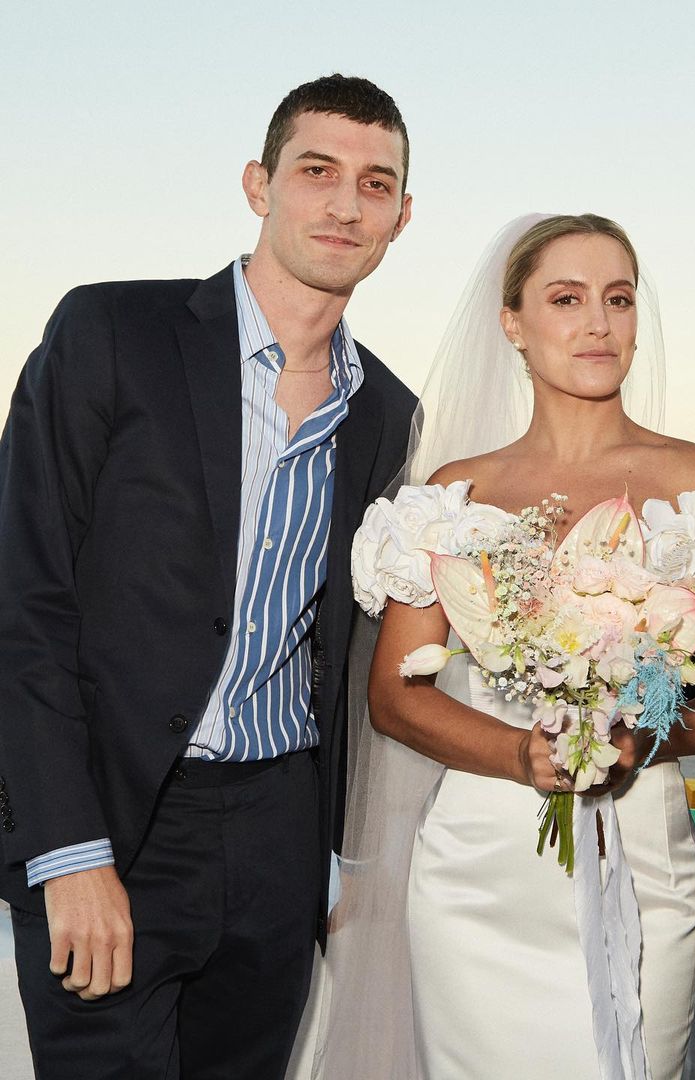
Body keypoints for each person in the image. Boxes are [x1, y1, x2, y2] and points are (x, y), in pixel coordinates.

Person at [314, 213, 695, 1080]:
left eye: (618, 299)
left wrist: (646, 739)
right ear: (512, 323)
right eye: (566, 298)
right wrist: (520, 754)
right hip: (477, 871)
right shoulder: (453, 496)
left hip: (642, 853)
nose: (599, 323)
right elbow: (395, 697)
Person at [0, 74, 416, 1078]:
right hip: (114, 819)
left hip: (279, 836)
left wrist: (335, 853)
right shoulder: (111, 335)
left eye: (375, 183)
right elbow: (23, 599)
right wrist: (68, 850)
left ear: (402, 217)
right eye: (316, 171)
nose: (345, 204)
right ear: (258, 185)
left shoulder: (385, 412)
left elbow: (350, 646)